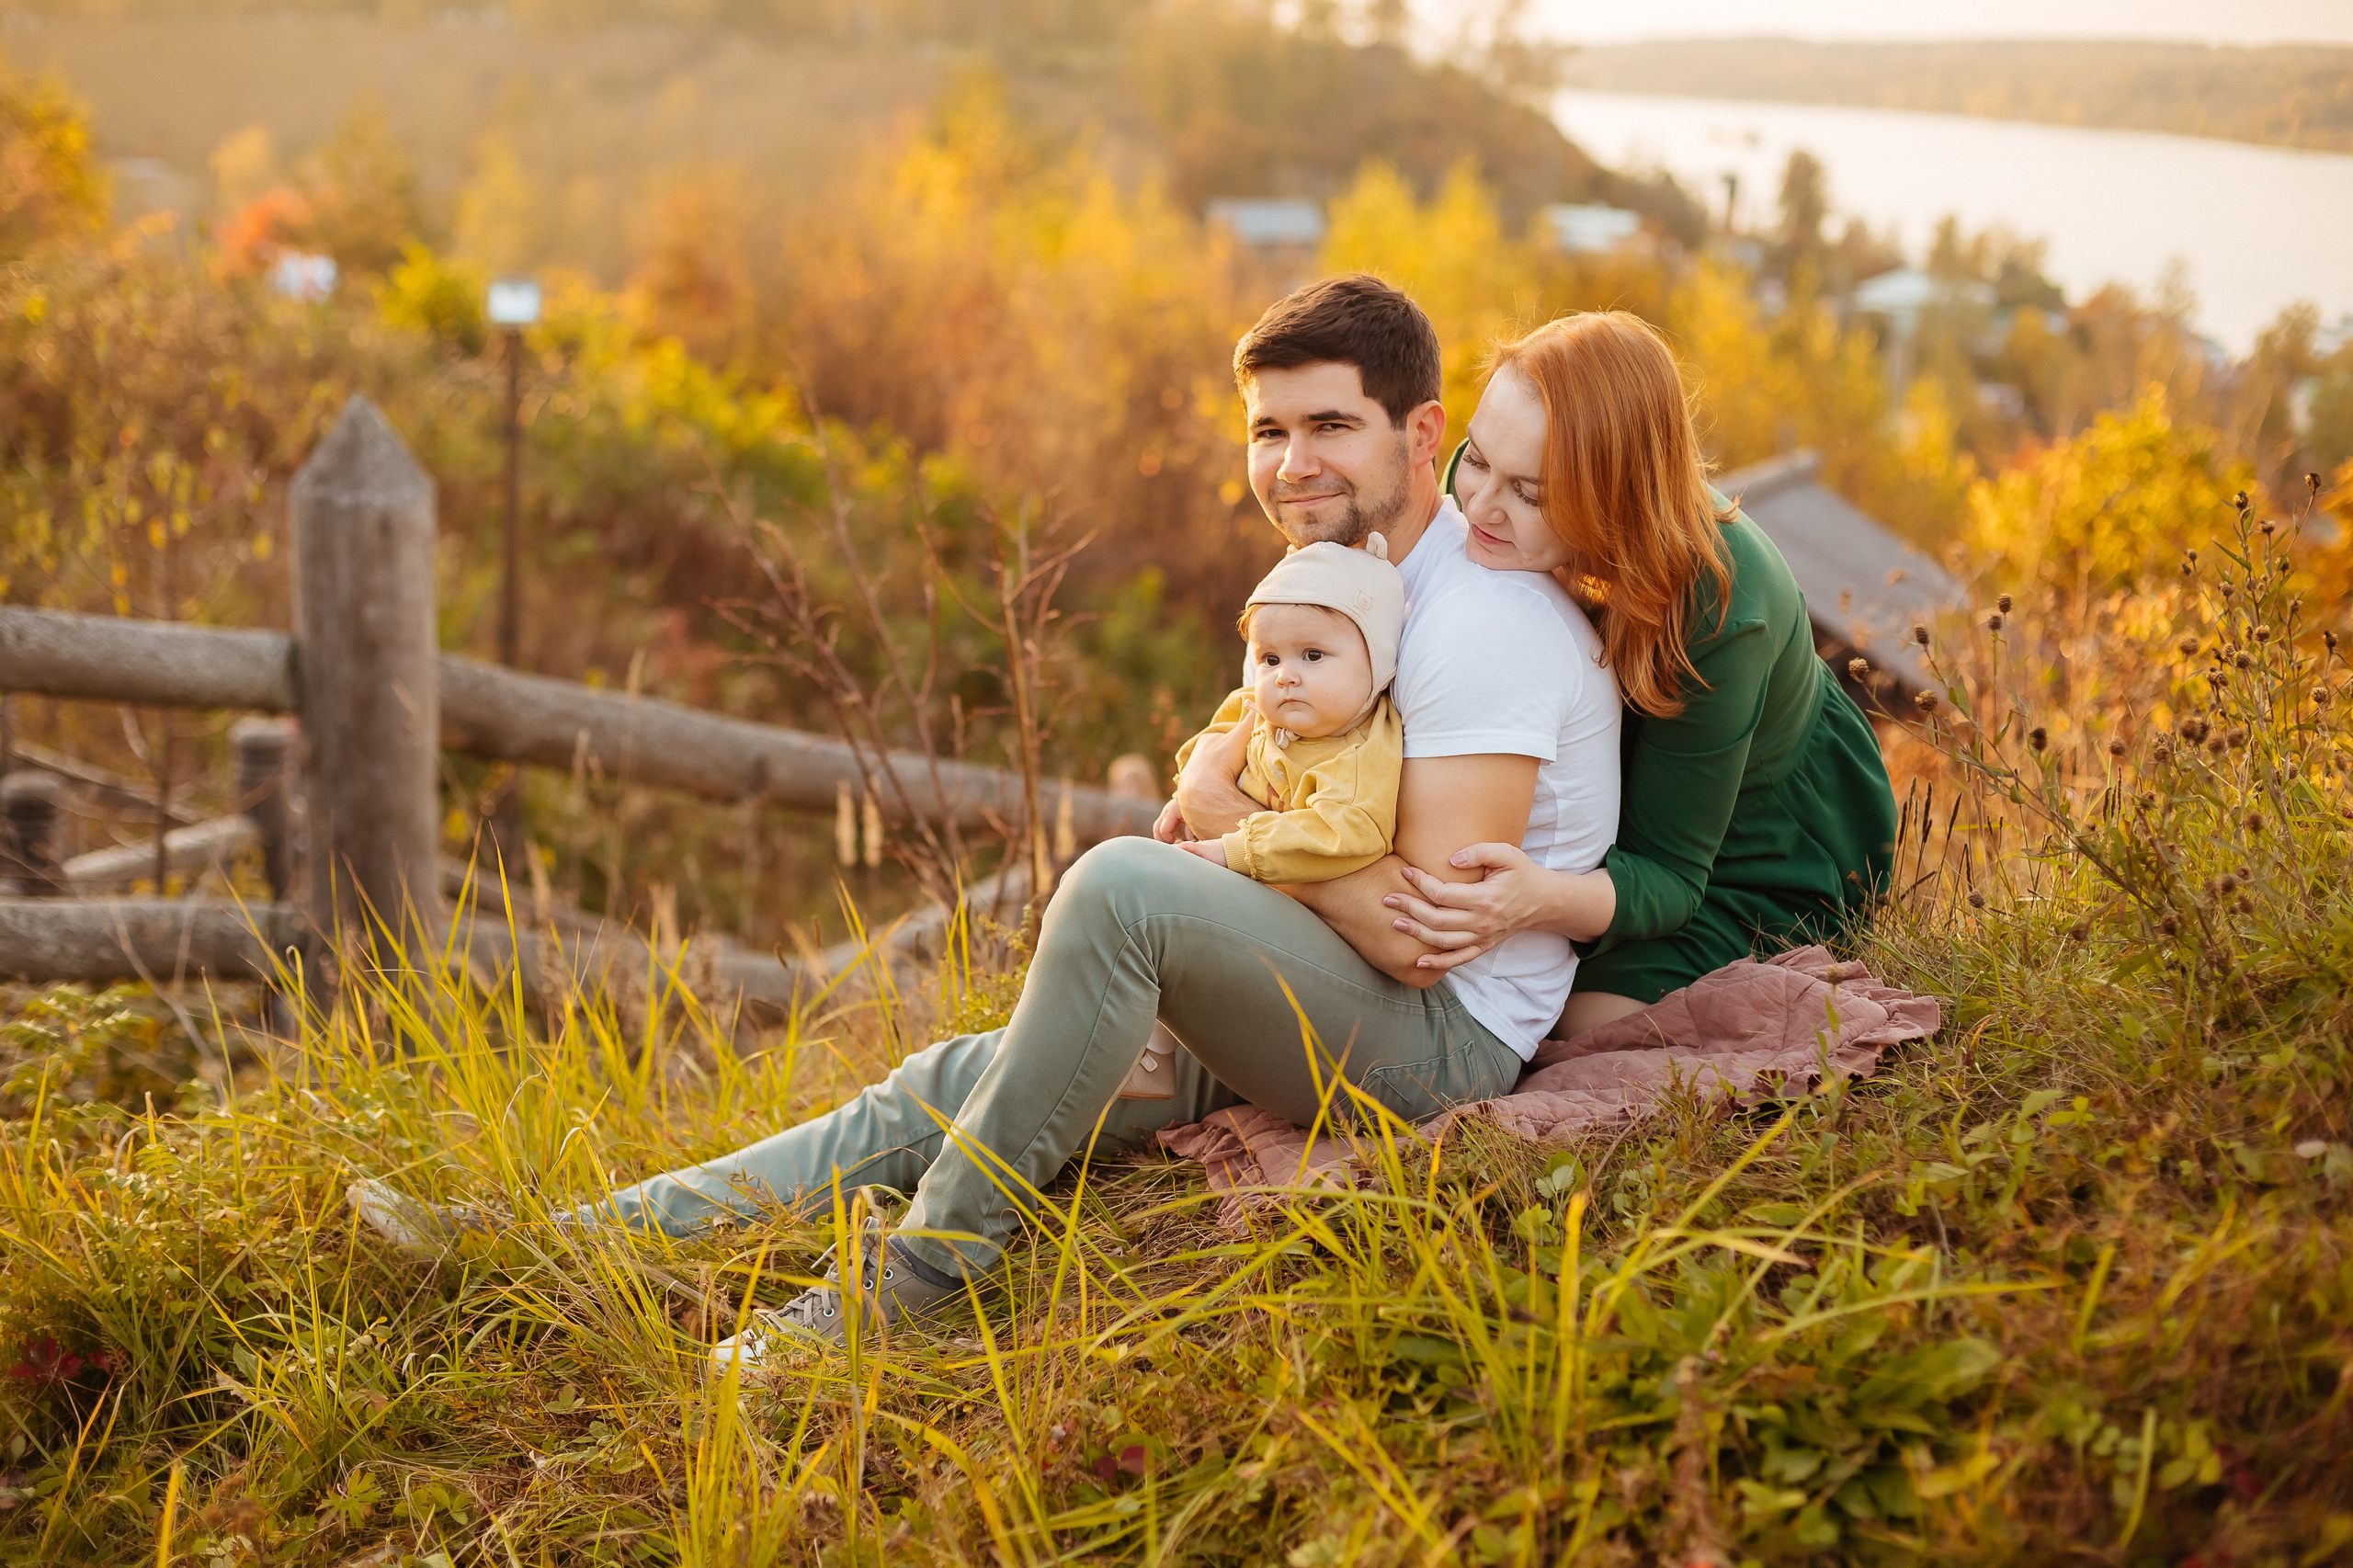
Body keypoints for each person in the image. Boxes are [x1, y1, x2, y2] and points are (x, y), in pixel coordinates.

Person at [350, 276, 1623, 1363]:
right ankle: (545, 1249)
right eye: (1267, 429)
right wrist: (1205, 911)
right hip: (1318, 987)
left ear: (1421, 434)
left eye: (1329, 425)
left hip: (1432, 1042)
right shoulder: (1348, 588)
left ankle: (912, 1287)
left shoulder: (1481, 620)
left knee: (1125, 888)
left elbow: (1418, 938)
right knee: (952, 1080)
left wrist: (1218, 834)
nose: (1291, 465)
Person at [1381, 312, 1898, 1038]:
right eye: (1475, 459)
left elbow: (1674, 874)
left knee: (1581, 1032)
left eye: (1531, 493)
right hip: (1614, 800)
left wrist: (1534, 900)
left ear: (1616, 494)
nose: (1480, 504)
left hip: (1751, 845)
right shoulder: (1499, 480)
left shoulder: (1719, 605)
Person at [1163, 533, 1406, 882]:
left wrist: (1236, 849)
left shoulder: (1358, 759)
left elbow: (1342, 836)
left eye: (1312, 655)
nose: (1284, 677)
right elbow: (1212, 747)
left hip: (1301, 915)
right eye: (1271, 658)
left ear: (1377, 662)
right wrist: (1184, 799)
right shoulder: (1251, 708)